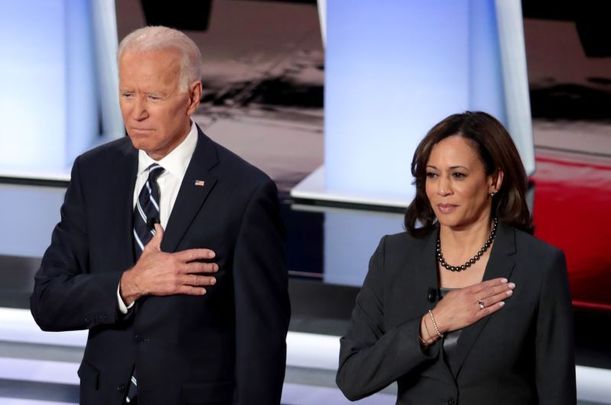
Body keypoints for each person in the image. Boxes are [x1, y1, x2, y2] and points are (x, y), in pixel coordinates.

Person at [30, 26, 290, 405]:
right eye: (127, 94)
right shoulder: (94, 172)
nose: (137, 112)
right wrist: (129, 284)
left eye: (154, 96)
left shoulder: (245, 193)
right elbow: (47, 303)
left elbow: (261, 344)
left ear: (192, 96)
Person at [336, 111, 575, 404]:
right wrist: (432, 324)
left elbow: (556, 393)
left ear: (494, 180)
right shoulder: (394, 256)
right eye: (432, 175)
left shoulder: (538, 265)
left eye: (458, 175)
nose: (442, 189)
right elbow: (352, 378)